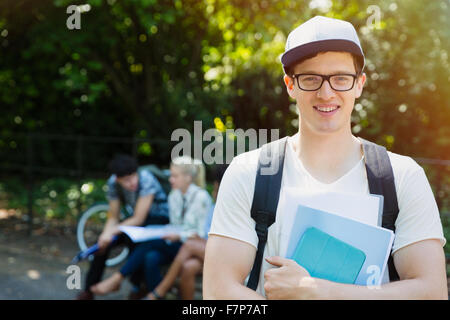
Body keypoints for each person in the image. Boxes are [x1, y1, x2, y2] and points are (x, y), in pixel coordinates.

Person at [203, 16, 448, 299]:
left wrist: (317, 291)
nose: (326, 92)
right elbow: (218, 292)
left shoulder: (403, 176)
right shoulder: (249, 172)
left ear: (359, 84)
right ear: (290, 85)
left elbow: (431, 292)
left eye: (341, 78)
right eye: (310, 79)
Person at [90, 156, 212, 297]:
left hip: (191, 245)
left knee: (150, 243)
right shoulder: (174, 196)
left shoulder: (201, 197)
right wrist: (170, 232)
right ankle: (154, 294)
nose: (170, 179)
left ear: (188, 177)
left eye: (174, 176)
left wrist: (178, 235)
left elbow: (201, 232)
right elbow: (175, 225)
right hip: (175, 243)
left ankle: (121, 279)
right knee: (151, 257)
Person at [76, 154, 170, 300]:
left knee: (136, 242)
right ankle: (89, 290)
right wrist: (106, 235)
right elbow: (113, 216)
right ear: (118, 179)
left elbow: (139, 218)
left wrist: (113, 230)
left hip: (157, 220)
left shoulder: (146, 179)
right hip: (135, 223)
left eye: (133, 177)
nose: (131, 183)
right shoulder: (113, 183)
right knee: (102, 244)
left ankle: (135, 286)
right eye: (126, 180)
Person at [145, 164, 228, 300]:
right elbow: (205, 234)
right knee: (188, 267)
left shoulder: (219, 204)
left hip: (225, 255)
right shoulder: (214, 206)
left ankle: (160, 291)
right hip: (208, 251)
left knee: (190, 245)